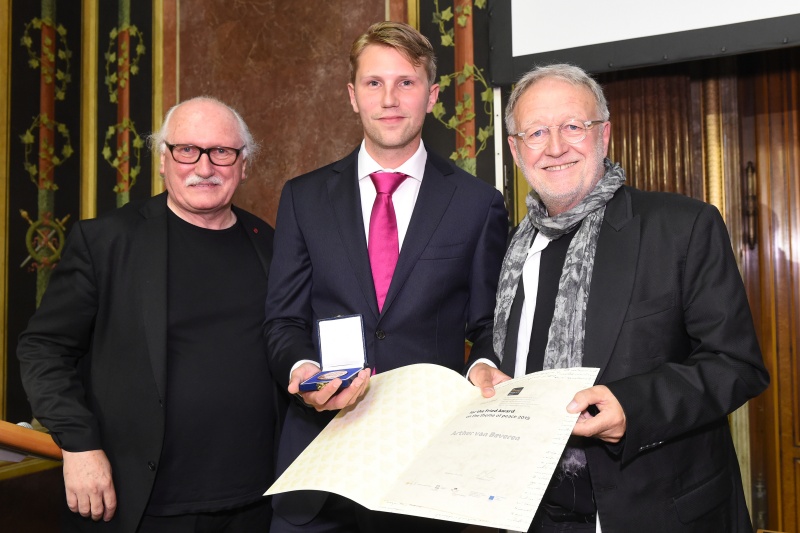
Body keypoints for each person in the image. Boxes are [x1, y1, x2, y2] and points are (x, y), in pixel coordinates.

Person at [468, 63, 770, 532]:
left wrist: (632, 406)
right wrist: (483, 364)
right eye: (537, 132)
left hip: (653, 513)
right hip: (527, 509)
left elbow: (736, 364)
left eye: (573, 126)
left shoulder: (682, 227)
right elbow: (503, 336)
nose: (555, 147)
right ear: (515, 149)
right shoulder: (514, 246)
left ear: (604, 134)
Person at [264, 21, 508, 533]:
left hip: (428, 469)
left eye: (406, 82)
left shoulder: (476, 203)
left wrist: (485, 363)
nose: (390, 99)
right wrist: (305, 371)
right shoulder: (303, 198)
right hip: (320, 464)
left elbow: (488, 325)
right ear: (353, 96)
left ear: (432, 96)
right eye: (374, 83)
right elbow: (283, 321)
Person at [17, 96, 281, 532]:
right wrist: (79, 444)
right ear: (163, 159)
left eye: (221, 151)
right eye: (187, 150)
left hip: (256, 501)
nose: (204, 167)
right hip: (141, 505)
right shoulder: (106, 242)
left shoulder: (269, 243)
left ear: (243, 164)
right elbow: (43, 349)